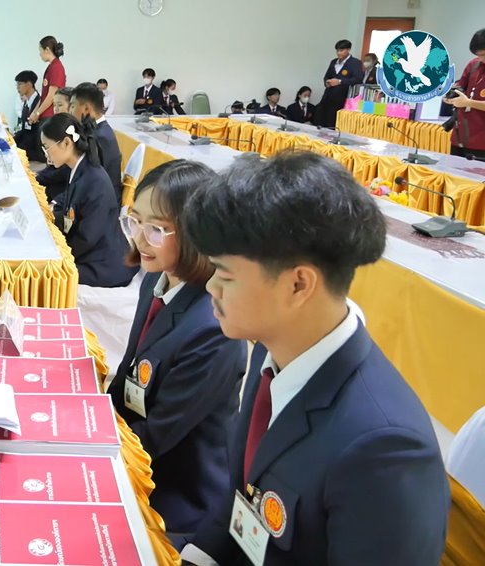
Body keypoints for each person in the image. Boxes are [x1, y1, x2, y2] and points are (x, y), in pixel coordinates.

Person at [179, 150, 449, 566]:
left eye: (225, 275)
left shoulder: (384, 448)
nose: (211, 286)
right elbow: (242, 498)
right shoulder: (273, 350)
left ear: (298, 285)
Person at [107, 159, 245, 544]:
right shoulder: (155, 279)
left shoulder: (214, 327)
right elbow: (127, 373)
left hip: (176, 496)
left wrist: (91, 448)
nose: (140, 238)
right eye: (135, 221)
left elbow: (156, 436)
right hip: (136, 448)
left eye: (156, 228)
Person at [40, 113, 136, 287]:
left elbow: (87, 238)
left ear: (66, 143)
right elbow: (71, 213)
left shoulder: (94, 180)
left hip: (104, 263)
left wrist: (59, 253)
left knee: (46, 273)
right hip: (91, 249)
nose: (45, 153)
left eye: (46, 147)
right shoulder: (80, 169)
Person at [70, 82, 123, 199]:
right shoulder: (97, 129)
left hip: (102, 200)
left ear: (86, 109)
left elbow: (92, 180)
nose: (70, 112)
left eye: (73, 106)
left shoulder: (99, 137)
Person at [443, 28, 485, 159]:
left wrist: (468, 103)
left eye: (483, 55)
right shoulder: (474, 65)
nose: (481, 59)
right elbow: (460, 87)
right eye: (478, 55)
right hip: (460, 137)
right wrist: (451, 96)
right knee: (452, 171)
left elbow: (466, 101)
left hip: (481, 142)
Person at [36, 87, 75, 199]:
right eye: (54, 105)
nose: (56, 109)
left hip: (64, 184)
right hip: (54, 175)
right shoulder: (57, 126)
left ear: (72, 107)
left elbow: (65, 170)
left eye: (60, 105)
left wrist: (40, 178)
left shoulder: (73, 131)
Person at [316, 39, 363, 128]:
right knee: (320, 120)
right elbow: (326, 76)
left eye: (341, 50)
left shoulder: (355, 63)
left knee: (333, 124)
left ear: (348, 50)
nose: (338, 53)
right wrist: (327, 82)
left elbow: (358, 79)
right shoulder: (334, 62)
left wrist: (340, 81)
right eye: (337, 50)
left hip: (342, 99)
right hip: (328, 96)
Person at [28, 35, 66, 126]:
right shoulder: (51, 66)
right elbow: (44, 96)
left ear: (47, 50)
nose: (40, 54)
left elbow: (51, 96)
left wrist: (38, 113)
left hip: (50, 115)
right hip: (44, 115)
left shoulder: (57, 67)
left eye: (40, 50)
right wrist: (35, 112)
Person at [13, 70, 45, 162]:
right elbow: (25, 129)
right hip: (27, 144)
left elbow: (34, 133)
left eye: (20, 84)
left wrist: (18, 148)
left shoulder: (39, 103)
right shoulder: (27, 102)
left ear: (29, 84)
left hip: (35, 151)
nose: (17, 87)